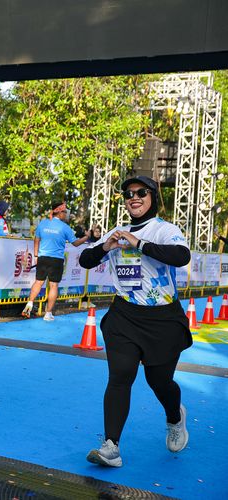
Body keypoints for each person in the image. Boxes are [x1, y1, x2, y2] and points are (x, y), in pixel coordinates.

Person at [79, 176, 192, 467]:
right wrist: (106, 247)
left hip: (163, 319)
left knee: (159, 381)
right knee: (120, 376)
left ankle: (175, 417)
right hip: (125, 316)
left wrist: (139, 243)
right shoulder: (117, 233)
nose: (134, 197)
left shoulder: (165, 229)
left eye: (141, 192)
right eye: (129, 194)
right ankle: (111, 447)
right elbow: (85, 260)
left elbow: (181, 256)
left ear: (152, 196)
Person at [21, 201, 89, 321]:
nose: (66, 214)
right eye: (65, 212)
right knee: (53, 286)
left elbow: (36, 239)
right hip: (56, 260)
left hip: (42, 257)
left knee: (38, 282)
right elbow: (76, 243)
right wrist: (87, 237)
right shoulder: (65, 227)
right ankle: (48, 314)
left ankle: (30, 303)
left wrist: (36, 255)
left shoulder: (43, 223)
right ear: (60, 212)